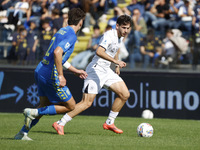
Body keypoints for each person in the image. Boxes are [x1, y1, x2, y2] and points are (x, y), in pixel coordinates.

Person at [14, 8, 87, 140]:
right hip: (50, 73)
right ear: (81, 22)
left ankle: (22, 133)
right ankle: (33, 112)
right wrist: (60, 75)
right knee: (70, 106)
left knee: (44, 105)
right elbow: (57, 53)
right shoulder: (71, 35)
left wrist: (75, 71)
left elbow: (59, 58)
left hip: (40, 69)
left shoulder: (61, 31)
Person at [53, 15, 131, 135]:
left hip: (106, 71)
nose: (126, 30)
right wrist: (116, 62)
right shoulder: (109, 35)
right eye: (124, 27)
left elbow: (114, 50)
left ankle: (109, 122)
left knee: (125, 94)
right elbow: (99, 51)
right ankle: (60, 123)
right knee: (86, 103)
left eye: (128, 28)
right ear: (117, 26)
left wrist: (116, 66)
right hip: (96, 70)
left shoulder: (119, 37)